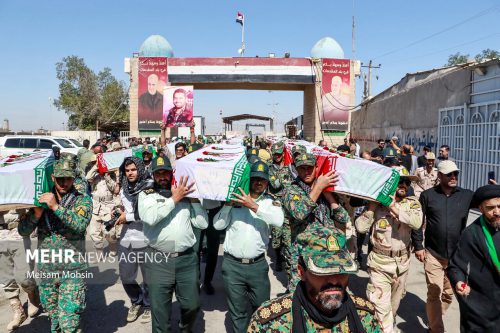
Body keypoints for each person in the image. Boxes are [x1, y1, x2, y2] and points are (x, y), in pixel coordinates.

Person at [248, 227, 381, 332]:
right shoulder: (269, 322)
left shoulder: (365, 315)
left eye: (341, 271)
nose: (334, 281)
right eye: (323, 272)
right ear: (302, 272)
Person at [18, 157, 92, 333]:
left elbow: (80, 224)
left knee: (69, 323)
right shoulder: (41, 201)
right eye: (59, 179)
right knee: (55, 322)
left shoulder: (82, 200)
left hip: (72, 270)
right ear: (52, 178)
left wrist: (56, 207)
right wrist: (36, 214)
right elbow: (23, 231)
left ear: (73, 178)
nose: (64, 183)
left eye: (68, 178)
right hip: (47, 271)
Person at [138, 157, 208, 333]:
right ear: (153, 175)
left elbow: (203, 224)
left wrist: (193, 201)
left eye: (166, 172)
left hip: (186, 260)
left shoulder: (184, 194)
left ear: (172, 173)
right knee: (160, 313)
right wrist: (174, 199)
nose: (162, 176)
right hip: (158, 260)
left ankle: (185, 328)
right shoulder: (147, 195)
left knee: (192, 305)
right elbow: (150, 217)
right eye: (158, 173)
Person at [214, 161, 284, 332]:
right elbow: (217, 225)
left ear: (267, 183)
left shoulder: (270, 202)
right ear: (249, 179)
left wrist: (252, 205)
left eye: (263, 180)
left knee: (262, 310)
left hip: (257, 266)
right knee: (238, 313)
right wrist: (229, 204)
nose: (258, 182)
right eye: (255, 179)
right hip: (233, 266)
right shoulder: (234, 200)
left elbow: (278, 221)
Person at [355, 166, 422, 333]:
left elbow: (416, 223)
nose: (403, 185)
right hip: (379, 262)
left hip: (402, 264)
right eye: (399, 181)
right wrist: (371, 207)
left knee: (393, 306)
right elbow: (361, 227)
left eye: (406, 182)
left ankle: (384, 327)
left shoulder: (412, 203)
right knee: (381, 307)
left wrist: (393, 207)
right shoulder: (376, 204)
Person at [411, 160, 474, 333]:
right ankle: (435, 328)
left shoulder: (467, 195)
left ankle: (436, 314)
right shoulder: (428, 195)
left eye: (456, 174)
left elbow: (487, 203)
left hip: (456, 257)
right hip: (433, 253)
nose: (454, 177)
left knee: (448, 293)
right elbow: (418, 222)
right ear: (439, 176)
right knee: (434, 292)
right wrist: (418, 246)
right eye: (449, 174)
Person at [281, 152, 348, 292]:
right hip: (303, 254)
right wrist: (318, 188)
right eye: (302, 168)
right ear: (296, 169)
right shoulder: (291, 190)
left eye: (310, 168)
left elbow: (343, 219)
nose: (306, 172)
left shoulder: (326, 190)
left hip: (327, 254)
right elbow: (299, 213)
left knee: (325, 295)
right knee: (300, 296)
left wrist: (329, 196)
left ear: (317, 168)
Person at [447, 184, 500, 332]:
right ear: (481, 209)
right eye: (490, 208)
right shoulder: (471, 234)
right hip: (482, 310)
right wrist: (459, 281)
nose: (497, 212)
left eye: (499, 206)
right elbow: (455, 266)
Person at [115, 157, 154, 324]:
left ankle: (148, 305)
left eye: (133, 169)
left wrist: (127, 217)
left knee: (149, 278)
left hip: (146, 238)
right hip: (126, 238)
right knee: (126, 276)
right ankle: (136, 301)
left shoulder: (150, 186)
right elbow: (123, 207)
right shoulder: (124, 187)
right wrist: (117, 212)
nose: (130, 173)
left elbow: (150, 213)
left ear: (140, 169)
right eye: (127, 170)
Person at [268, 141, 294, 275]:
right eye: (275, 154)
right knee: (277, 233)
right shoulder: (270, 167)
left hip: (288, 204)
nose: (277, 156)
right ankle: (278, 257)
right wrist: (285, 177)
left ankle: (287, 256)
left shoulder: (290, 166)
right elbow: (275, 184)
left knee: (288, 233)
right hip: (276, 203)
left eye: (279, 153)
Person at [86, 162, 117, 252]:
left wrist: (107, 175)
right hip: (96, 205)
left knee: (109, 232)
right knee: (94, 232)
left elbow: (114, 188)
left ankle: (113, 247)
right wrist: (96, 166)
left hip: (108, 206)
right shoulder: (94, 174)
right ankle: (99, 251)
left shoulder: (112, 175)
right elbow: (88, 178)